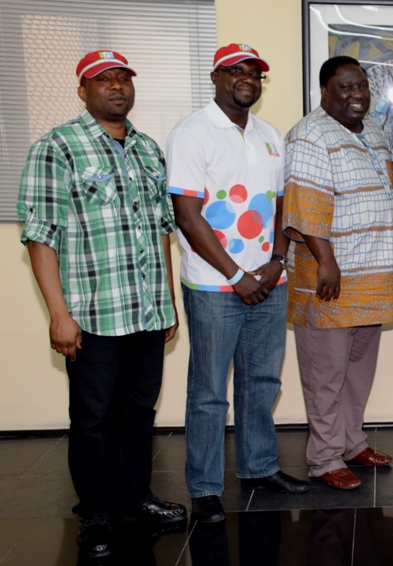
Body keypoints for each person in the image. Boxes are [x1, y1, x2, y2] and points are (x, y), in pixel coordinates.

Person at [18, 50, 186, 558]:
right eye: (103, 80)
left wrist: (169, 301)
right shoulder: (58, 148)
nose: (116, 87)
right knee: (92, 417)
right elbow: (41, 237)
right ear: (83, 90)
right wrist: (58, 314)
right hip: (91, 315)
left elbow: (162, 231)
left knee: (138, 411)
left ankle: (136, 498)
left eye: (123, 79)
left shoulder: (147, 150)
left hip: (147, 310)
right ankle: (96, 511)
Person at [167, 43, 309, 524]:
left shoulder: (270, 135)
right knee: (209, 390)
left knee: (262, 381)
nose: (247, 78)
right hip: (214, 286)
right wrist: (235, 275)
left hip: (270, 282)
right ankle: (205, 488)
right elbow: (187, 216)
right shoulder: (192, 132)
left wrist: (276, 260)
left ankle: (259, 468)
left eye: (255, 73)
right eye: (236, 71)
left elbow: (282, 204)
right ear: (216, 77)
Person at [282, 56, 393, 490]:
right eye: (345, 88)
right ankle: (325, 457)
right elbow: (304, 202)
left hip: (373, 276)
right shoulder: (310, 134)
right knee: (325, 375)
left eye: (362, 87)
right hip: (330, 279)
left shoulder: (375, 133)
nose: (356, 96)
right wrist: (326, 261)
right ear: (324, 92)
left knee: (357, 372)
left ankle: (353, 443)